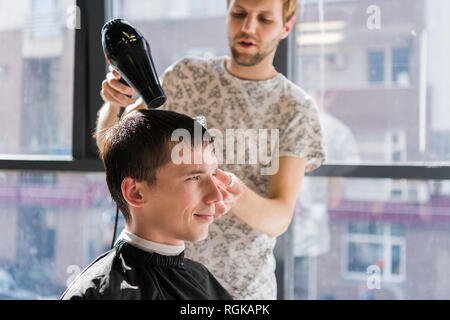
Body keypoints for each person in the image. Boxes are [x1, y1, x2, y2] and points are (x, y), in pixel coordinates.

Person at [97, 0, 326, 299]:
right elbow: (108, 145)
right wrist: (117, 101)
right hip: (164, 280)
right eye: (239, 14)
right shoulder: (187, 77)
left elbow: (279, 218)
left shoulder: (295, 109)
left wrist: (231, 191)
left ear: (286, 26)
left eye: (265, 19)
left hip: (243, 292)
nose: (248, 27)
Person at [61, 109, 233, 300]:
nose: (216, 195)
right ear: (136, 192)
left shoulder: (202, 280)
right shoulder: (98, 294)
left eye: (213, 175)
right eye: (194, 178)